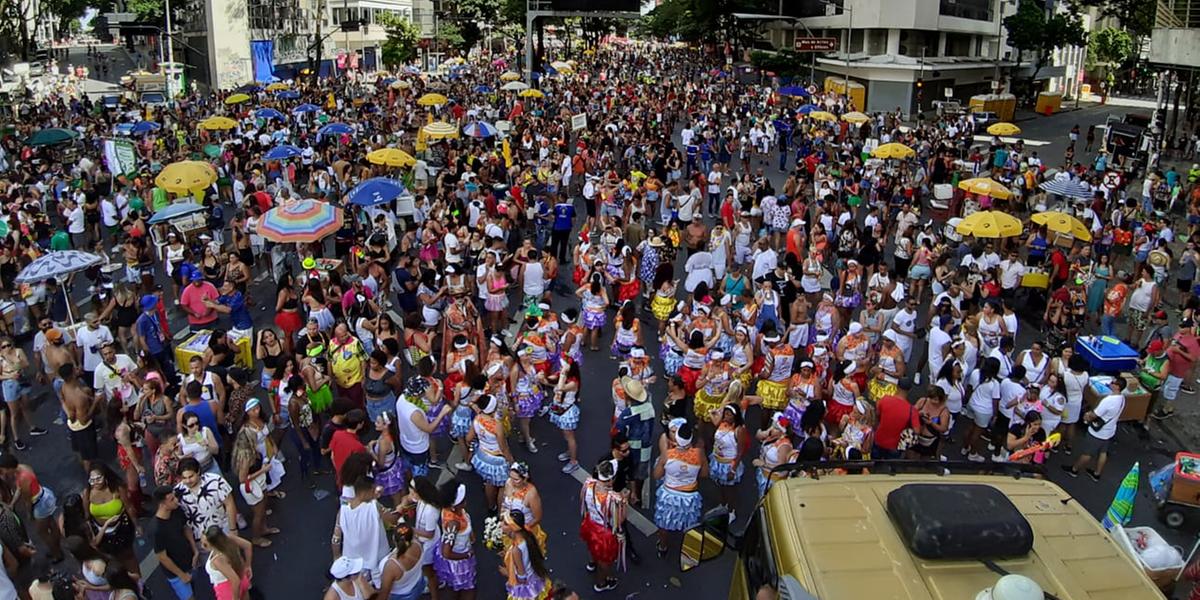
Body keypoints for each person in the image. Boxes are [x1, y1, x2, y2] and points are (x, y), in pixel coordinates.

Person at [0, 455, 62, 562]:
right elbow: (21, 488)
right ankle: (57, 545)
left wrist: (29, 514)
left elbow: (27, 499)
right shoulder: (23, 468)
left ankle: (56, 553)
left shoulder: (23, 478)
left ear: (9, 468)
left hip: (39, 504)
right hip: (44, 496)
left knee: (42, 532)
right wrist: (13, 503)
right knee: (51, 523)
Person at [1063, 376, 1126, 481]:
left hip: (1098, 433)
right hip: (1109, 431)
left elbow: (1094, 415)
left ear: (1117, 387)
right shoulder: (1122, 398)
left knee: (1087, 453)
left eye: (1112, 383)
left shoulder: (1109, 401)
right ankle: (1097, 473)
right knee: (1103, 452)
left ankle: (1074, 469)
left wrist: (1086, 415)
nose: (1110, 383)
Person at [579, 459, 625, 593]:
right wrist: (624, 503)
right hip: (604, 533)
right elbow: (619, 520)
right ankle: (601, 583)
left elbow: (584, 503)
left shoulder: (588, 484)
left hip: (590, 523)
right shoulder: (613, 499)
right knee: (605, 561)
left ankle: (592, 562)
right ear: (611, 480)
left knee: (592, 547)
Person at [174, 457, 238, 541]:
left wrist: (233, 529)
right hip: (199, 539)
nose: (188, 481)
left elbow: (229, 504)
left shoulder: (216, 481)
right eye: (184, 478)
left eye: (191, 476)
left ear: (198, 472)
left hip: (222, 531)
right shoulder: (177, 491)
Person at [153, 486, 199, 600]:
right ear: (162, 504)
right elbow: (162, 557)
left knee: (196, 589)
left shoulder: (177, 511)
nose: (177, 501)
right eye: (172, 499)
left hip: (189, 561)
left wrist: (195, 550)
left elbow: (185, 528)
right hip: (175, 572)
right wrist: (181, 575)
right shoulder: (156, 529)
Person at [500, 510, 551, 600]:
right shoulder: (526, 537)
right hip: (534, 577)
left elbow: (522, 577)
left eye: (505, 524)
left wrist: (507, 573)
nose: (501, 525)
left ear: (513, 528)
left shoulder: (516, 550)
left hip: (526, 586)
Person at [373, 525, 426, 600]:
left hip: (402, 596)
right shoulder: (418, 544)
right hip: (418, 584)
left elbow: (384, 595)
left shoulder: (391, 566)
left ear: (394, 539)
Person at [202, 526, 253, 600]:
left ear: (213, 544)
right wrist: (248, 565)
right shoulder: (228, 539)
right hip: (242, 578)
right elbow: (248, 545)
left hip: (227, 590)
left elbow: (235, 581)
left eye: (205, 544)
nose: (202, 546)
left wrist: (235, 598)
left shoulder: (217, 560)